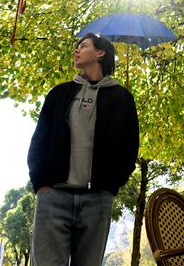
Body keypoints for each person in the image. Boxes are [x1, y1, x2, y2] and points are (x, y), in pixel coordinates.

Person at [28, 33, 139, 266]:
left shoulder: (122, 99)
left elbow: (129, 149)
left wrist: (110, 187)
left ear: (100, 53)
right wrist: (41, 184)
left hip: (97, 200)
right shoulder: (59, 94)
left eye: (83, 46)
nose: (77, 50)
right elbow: (40, 140)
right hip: (53, 196)